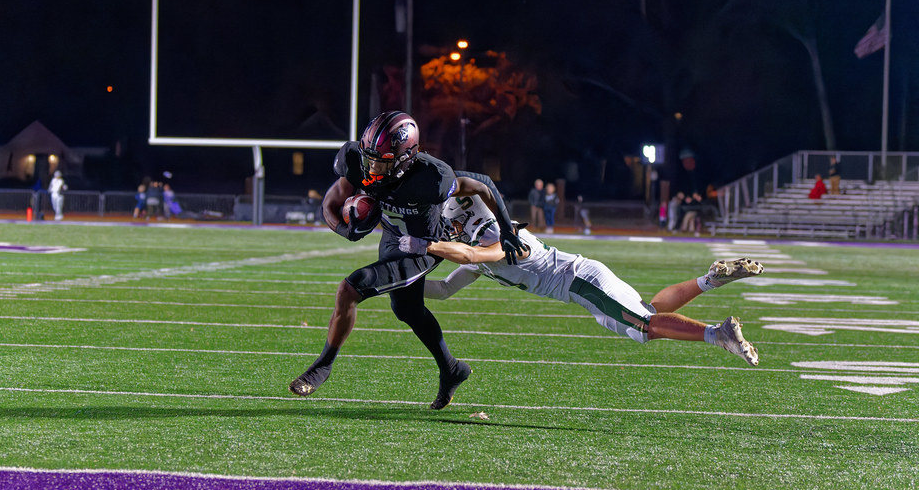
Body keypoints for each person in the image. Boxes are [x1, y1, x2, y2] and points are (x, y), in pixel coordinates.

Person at [288, 111, 524, 410]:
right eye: (369, 157)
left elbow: (482, 184)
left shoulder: (432, 176)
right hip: (391, 237)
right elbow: (331, 202)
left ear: (406, 157)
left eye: (382, 160)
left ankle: (323, 365)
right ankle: (452, 369)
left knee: (350, 289)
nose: (372, 166)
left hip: (423, 246)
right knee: (407, 308)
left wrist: (505, 228)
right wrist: (346, 230)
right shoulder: (356, 159)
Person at [400, 193, 762, 366]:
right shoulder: (483, 249)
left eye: (455, 224)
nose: (452, 231)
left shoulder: (506, 240)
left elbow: (474, 255)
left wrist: (426, 244)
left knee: (644, 325)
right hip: (584, 283)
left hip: (581, 282)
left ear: (469, 217)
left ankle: (719, 334)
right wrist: (405, 284)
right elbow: (445, 290)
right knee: (647, 312)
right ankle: (710, 280)